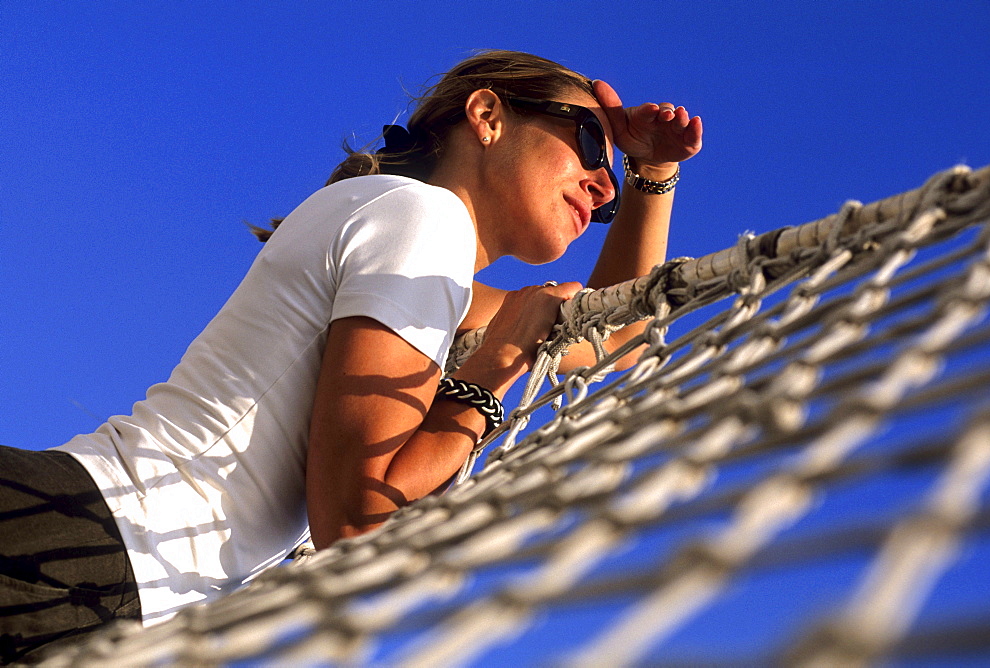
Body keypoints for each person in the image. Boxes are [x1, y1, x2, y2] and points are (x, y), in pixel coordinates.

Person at [0, 49, 702, 663]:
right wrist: (498, 365)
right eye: (586, 141)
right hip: (75, 548)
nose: (602, 185)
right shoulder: (424, 220)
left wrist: (654, 172)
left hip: (91, 574)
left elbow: (615, 342)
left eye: (612, 189)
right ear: (487, 115)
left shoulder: (421, 254)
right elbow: (359, 516)